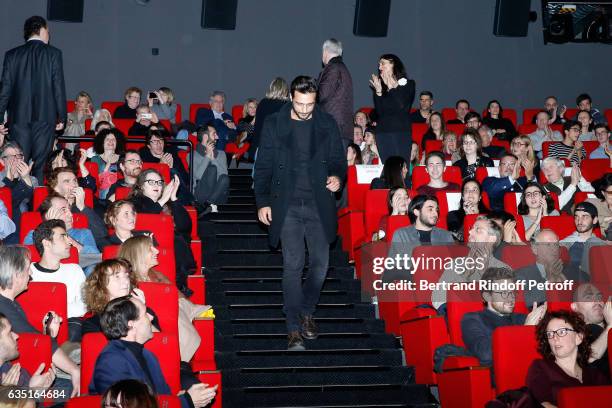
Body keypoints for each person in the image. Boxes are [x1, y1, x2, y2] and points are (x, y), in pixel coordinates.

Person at [254, 76, 346, 351]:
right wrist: (262, 201)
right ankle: (293, 326)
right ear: (291, 98)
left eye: (309, 104)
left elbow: (338, 161)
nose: (304, 110)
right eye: (299, 104)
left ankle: (307, 311)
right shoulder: (274, 124)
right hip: (288, 206)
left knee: (320, 266)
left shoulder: (326, 123)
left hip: (319, 205)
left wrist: (337, 178)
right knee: (293, 264)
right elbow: (264, 166)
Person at [89, 296, 217, 407]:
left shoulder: (148, 356)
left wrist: (179, 398)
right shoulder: (111, 361)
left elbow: (162, 398)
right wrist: (186, 401)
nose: (151, 317)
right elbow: (129, 405)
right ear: (131, 324)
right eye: (145, 313)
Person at [0, 246, 80, 396]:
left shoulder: (11, 302)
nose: (30, 273)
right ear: (16, 275)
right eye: (26, 269)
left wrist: (48, 334)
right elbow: (36, 342)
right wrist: (75, 370)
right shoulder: (3, 307)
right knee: (69, 391)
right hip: (23, 383)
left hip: (26, 379)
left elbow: (33, 341)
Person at [0, 16, 67, 181]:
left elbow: (5, 89)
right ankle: (36, 203)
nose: (49, 35)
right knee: (40, 165)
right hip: (45, 119)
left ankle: (18, 204)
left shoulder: (12, 55)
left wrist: (0, 117)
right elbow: (58, 87)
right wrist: (62, 116)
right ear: (42, 29)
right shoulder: (53, 53)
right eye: (48, 31)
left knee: (17, 164)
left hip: (18, 120)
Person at [461, 267, 547, 369]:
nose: (510, 298)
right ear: (487, 296)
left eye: (512, 292)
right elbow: (485, 354)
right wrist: (524, 332)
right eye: (504, 293)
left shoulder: (522, 319)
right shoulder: (473, 320)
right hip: (502, 377)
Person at [128, 170, 195, 296]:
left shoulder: (168, 203)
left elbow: (185, 226)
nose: (156, 185)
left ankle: (179, 285)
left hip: (172, 249)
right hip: (145, 247)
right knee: (176, 239)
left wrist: (174, 199)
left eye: (159, 183)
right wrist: (163, 199)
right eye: (151, 182)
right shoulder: (134, 203)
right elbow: (143, 222)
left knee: (178, 238)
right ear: (141, 185)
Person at [526, 310, 609, 407]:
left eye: (562, 332)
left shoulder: (594, 375)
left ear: (578, 337)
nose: (554, 338)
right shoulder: (541, 367)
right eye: (550, 334)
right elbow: (543, 404)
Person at [31, 220, 87, 336]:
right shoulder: (27, 272)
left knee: (75, 326)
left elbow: (84, 305)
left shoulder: (74, 270)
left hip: (68, 326)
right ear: (47, 243)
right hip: (31, 327)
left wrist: (50, 313)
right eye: (63, 237)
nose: (70, 242)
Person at [24, 194, 100, 271]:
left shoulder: (84, 233)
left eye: (69, 210)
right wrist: (52, 228)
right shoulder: (34, 234)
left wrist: (71, 240)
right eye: (63, 210)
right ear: (48, 215)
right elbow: (30, 257)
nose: (70, 215)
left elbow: (96, 257)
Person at [385, 195, 454, 278]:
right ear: (416, 212)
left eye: (436, 210)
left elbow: (452, 265)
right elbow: (392, 267)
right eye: (430, 209)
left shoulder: (446, 236)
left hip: (440, 284)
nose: (435, 213)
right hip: (411, 283)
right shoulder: (402, 234)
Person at [515, 229, 582, 306]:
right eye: (548, 245)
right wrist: (550, 280)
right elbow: (524, 303)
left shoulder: (572, 271)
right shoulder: (522, 275)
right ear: (535, 249)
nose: (554, 249)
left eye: (556, 244)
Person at [368, 54, 415, 162]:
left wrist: (391, 87)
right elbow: (380, 112)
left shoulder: (408, 84)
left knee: (401, 168)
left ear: (393, 64)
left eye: (383, 64)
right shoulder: (380, 87)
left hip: (401, 132)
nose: (380, 67)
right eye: (379, 65)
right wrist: (378, 92)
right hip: (383, 133)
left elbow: (401, 106)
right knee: (388, 169)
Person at [47, 166, 107, 243]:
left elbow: (102, 234)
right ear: (55, 188)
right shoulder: (49, 206)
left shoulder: (84, 207)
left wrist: (82, 207)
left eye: (75, 180)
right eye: (67, 181)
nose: (74, 185)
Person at [0, 312, 56, 390]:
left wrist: (34, 391)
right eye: (9, 333)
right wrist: (6, 397)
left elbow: (30, 399)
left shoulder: (12, 371)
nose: (16, 336)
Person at [317, 39, 353, 147]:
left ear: (325, 51)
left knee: (331, 163)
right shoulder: (341, 67)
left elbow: (323, 94)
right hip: (340, 128)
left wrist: (309, 93)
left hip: (333, 128)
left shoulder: (333, 67)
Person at [570, 283, 611, 379]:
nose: (596, 300)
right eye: (588, 297)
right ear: (575, 307)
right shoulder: (577, 335)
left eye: (599, 297)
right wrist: (610, 326)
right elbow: (589, 357)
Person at [139, 130, 190, 201]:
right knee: (172, 171)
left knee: (172, 170)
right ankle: (191, 201)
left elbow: (186, 179)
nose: (159, 144)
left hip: (177, 191)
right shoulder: (145, 157)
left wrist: (172, 167)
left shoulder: (172, 155)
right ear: (149, 146)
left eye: (161, 140)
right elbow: (145, 179)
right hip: (156, 191)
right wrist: (161, 166)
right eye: (154, 141)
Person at [560, 201, 606, 275]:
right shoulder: (567, 243)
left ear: (594, 220)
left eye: (585, 217)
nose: (579, 221)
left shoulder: (602, 243)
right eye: (576, 217)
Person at [248, 78, 290, 160]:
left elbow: (258, 127)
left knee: (259, 172)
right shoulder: (286, 106)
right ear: (284, 90)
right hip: (277, 148)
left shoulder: (263, 103)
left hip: (260, 145)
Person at [191, 124, 229, 211]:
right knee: (212, 169)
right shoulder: (192, 155)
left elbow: (224, 175)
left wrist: (213, 159)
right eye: (214, 134)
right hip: (201, 194)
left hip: (218, 195)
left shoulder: (221, 154)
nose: (217, 137)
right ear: (205, 137)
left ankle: (208, 204)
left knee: (224, 177)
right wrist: (207, 157)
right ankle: (209, 204)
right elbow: (198, 176)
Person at [91, 128, 126, 200]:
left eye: (113, 139)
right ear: (102, 142)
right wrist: (108, 165)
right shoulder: (95, 159)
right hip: (100, 197)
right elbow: (94, 182)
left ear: (117, 142)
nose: (110, 141)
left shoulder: (123, 158)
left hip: (120, 196)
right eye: (107, 139)